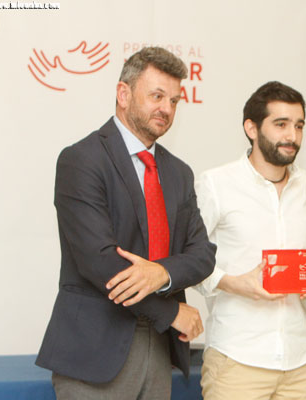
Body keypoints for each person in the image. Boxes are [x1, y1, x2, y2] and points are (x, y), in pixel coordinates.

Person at [36, 47, 216, 399]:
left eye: (174, 101)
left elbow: (202, 255)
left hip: (159, 353)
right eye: (157, 96)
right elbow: (99, 262)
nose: (166, 108)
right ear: (123, 94)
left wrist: (161, 273)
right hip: (94, 356)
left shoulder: (178, 172)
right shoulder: (82, 160)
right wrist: (170, 312)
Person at [194, 81, 306, 400]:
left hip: (297, 361)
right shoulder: (216, 184)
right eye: (281, 124)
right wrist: (234, 283)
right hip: (237, 360)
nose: (292, 136)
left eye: (299, 126)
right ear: (251, 128)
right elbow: (189, 260)